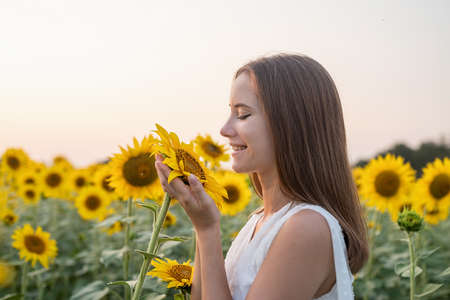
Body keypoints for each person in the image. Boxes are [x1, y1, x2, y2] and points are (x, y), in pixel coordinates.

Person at [155, 53, 369, 300]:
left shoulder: (307, 227)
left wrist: (207, 229)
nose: (224, 130)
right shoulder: (260, 222)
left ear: (290, 125)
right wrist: (202, 227)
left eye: (243, 114)